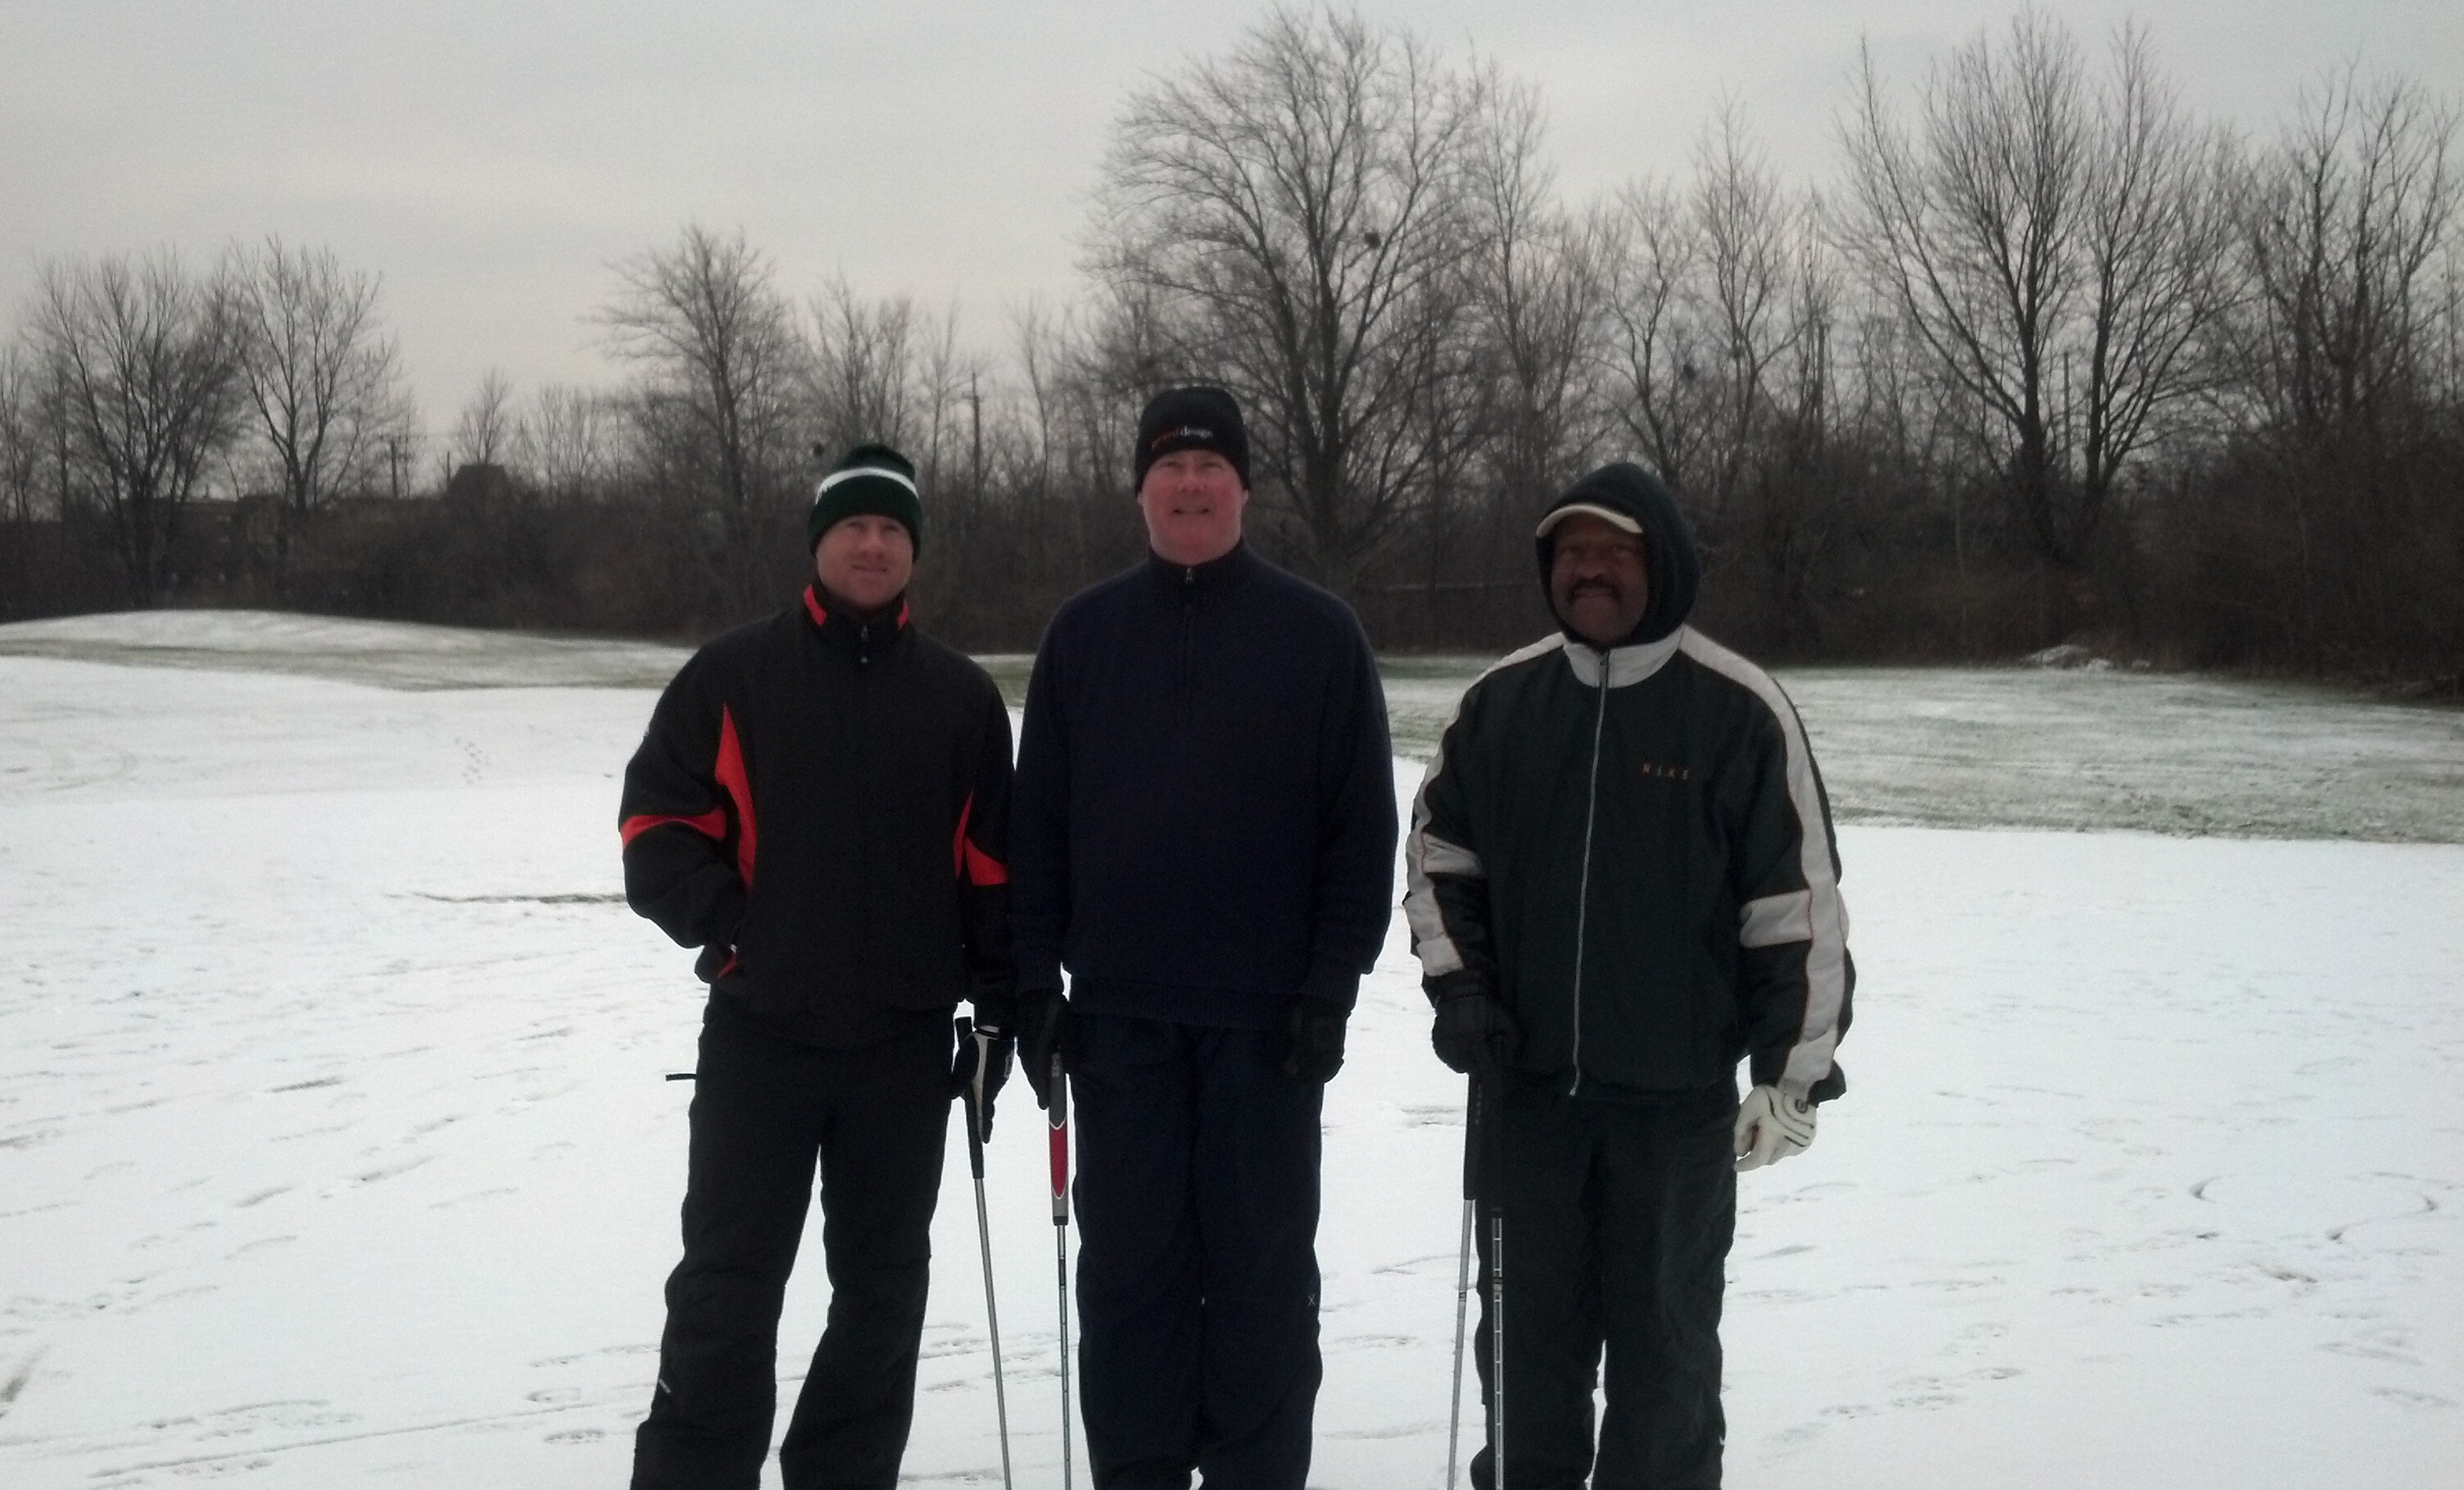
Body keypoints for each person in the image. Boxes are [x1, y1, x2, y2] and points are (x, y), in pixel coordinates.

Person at [1406, 460, 1855, 1490]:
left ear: (1665, 564)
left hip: (1674, 1108)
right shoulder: (1501, 704)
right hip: (1527, 1099)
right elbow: (1438, 859)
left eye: (1615, 550)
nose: (1591, 569)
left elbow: (1797, 908)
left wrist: (1790, 1073)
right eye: (1573, 551)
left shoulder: (1737, 710)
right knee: (1524, 1353)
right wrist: (1462, 987)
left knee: (1665, 1358)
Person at [1008, 384, 1400, 1490]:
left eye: (1211, 466)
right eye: (1170, 467)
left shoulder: (1318, 636)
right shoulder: (1083, 637)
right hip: (1119, 1022)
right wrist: (1035, 981)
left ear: (1243, 489)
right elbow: (1037, 828)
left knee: (1261, 1277)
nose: (1190, 485)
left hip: (1267, 1031)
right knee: (1129, 1277)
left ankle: (1254, 1470)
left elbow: (1359, 830)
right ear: (1140, 490)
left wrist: (1330, 983)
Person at [617, 442, 1016, 1490]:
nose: (872, 545)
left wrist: (1002, 1007)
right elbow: (656, 829)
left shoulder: (961, 698)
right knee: (728, 1286)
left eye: (891, 529)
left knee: (883, 1293)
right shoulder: (734, 676)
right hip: (764, 1036)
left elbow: (993, 872)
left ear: (913, 549)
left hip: (903, 1046)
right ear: (819, 543)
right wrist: (738, 932)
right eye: (853, 526)